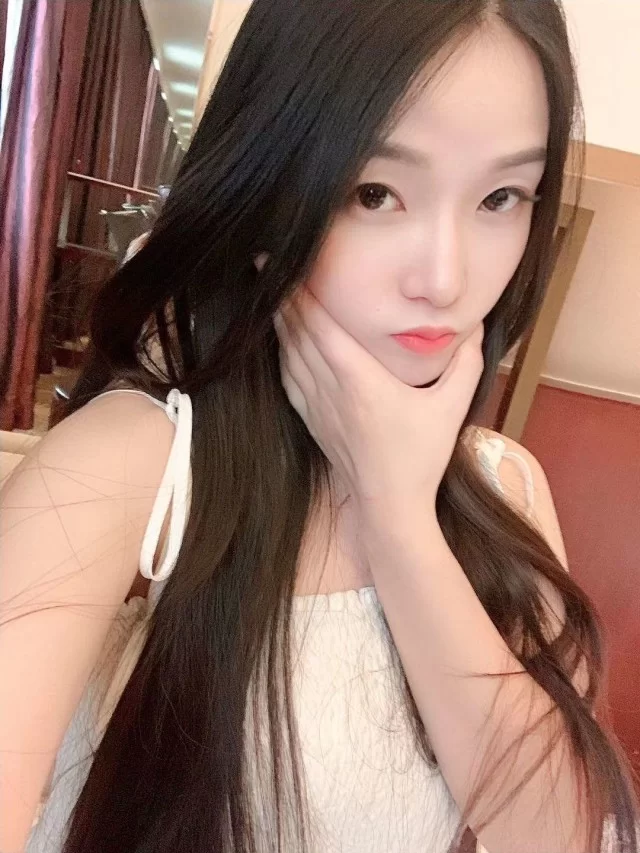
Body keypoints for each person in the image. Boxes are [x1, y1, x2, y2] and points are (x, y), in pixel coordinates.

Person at [1, 1, 638, 851]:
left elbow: (561, 835)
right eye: (375, 193)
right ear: (266, 189)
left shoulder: (506, 484)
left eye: (500, 197)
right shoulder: (129, 470)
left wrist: (397, 515)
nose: (445, 278)